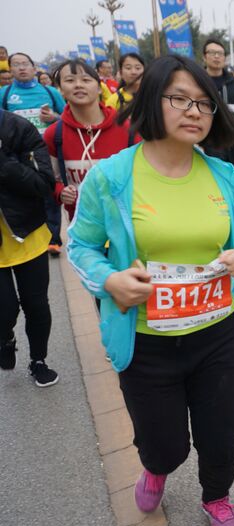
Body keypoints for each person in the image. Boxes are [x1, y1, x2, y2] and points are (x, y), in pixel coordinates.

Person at [67, 55, 234, 526]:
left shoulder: (223, 175)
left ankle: (217, 498)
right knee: (164, 444)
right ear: (151, 101)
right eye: (179, 99)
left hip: (217, 332)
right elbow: (79, 246)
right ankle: (156, 469)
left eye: (203, 102)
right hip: (145, 340)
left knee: (222, 434)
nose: (195, 111)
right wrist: (109, 281)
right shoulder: (112, 177)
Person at [0, 108, 59, 387]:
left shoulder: (18, 128)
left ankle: (38, 360)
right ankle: (5, 337)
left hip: (28, 234)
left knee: (36, 305)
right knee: (4, 310)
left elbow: (43, 184)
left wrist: (4, 163)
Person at [43, 59, 137, 222]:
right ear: (61, 90)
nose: (78, 85)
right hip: (81, 228)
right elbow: (50, 179)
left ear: (100, 88)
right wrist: (60, 192)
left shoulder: (127, 129)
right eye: (70, 80)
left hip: (126, 222)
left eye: (86, 80)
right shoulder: (54, 134)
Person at [1, 52, 67, 256]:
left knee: (49, 193)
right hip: (17, 158)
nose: (21, 68)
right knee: (24, 194)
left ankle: (54, 239)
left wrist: (54, 117)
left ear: (33, 67)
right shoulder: (4, 93)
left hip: (47, 152)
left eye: (25, 64)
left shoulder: (49, 91)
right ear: (10, 69)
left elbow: (66, 117)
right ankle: (27, 234)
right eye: (16, 65)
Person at [202, 38, 234, 172]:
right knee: (215, 174)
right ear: (204, 57)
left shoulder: (233, 82)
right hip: (210, 137)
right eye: (212, 53)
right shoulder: (199, 82)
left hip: (232, 137)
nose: (216, 57)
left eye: (220, 54)